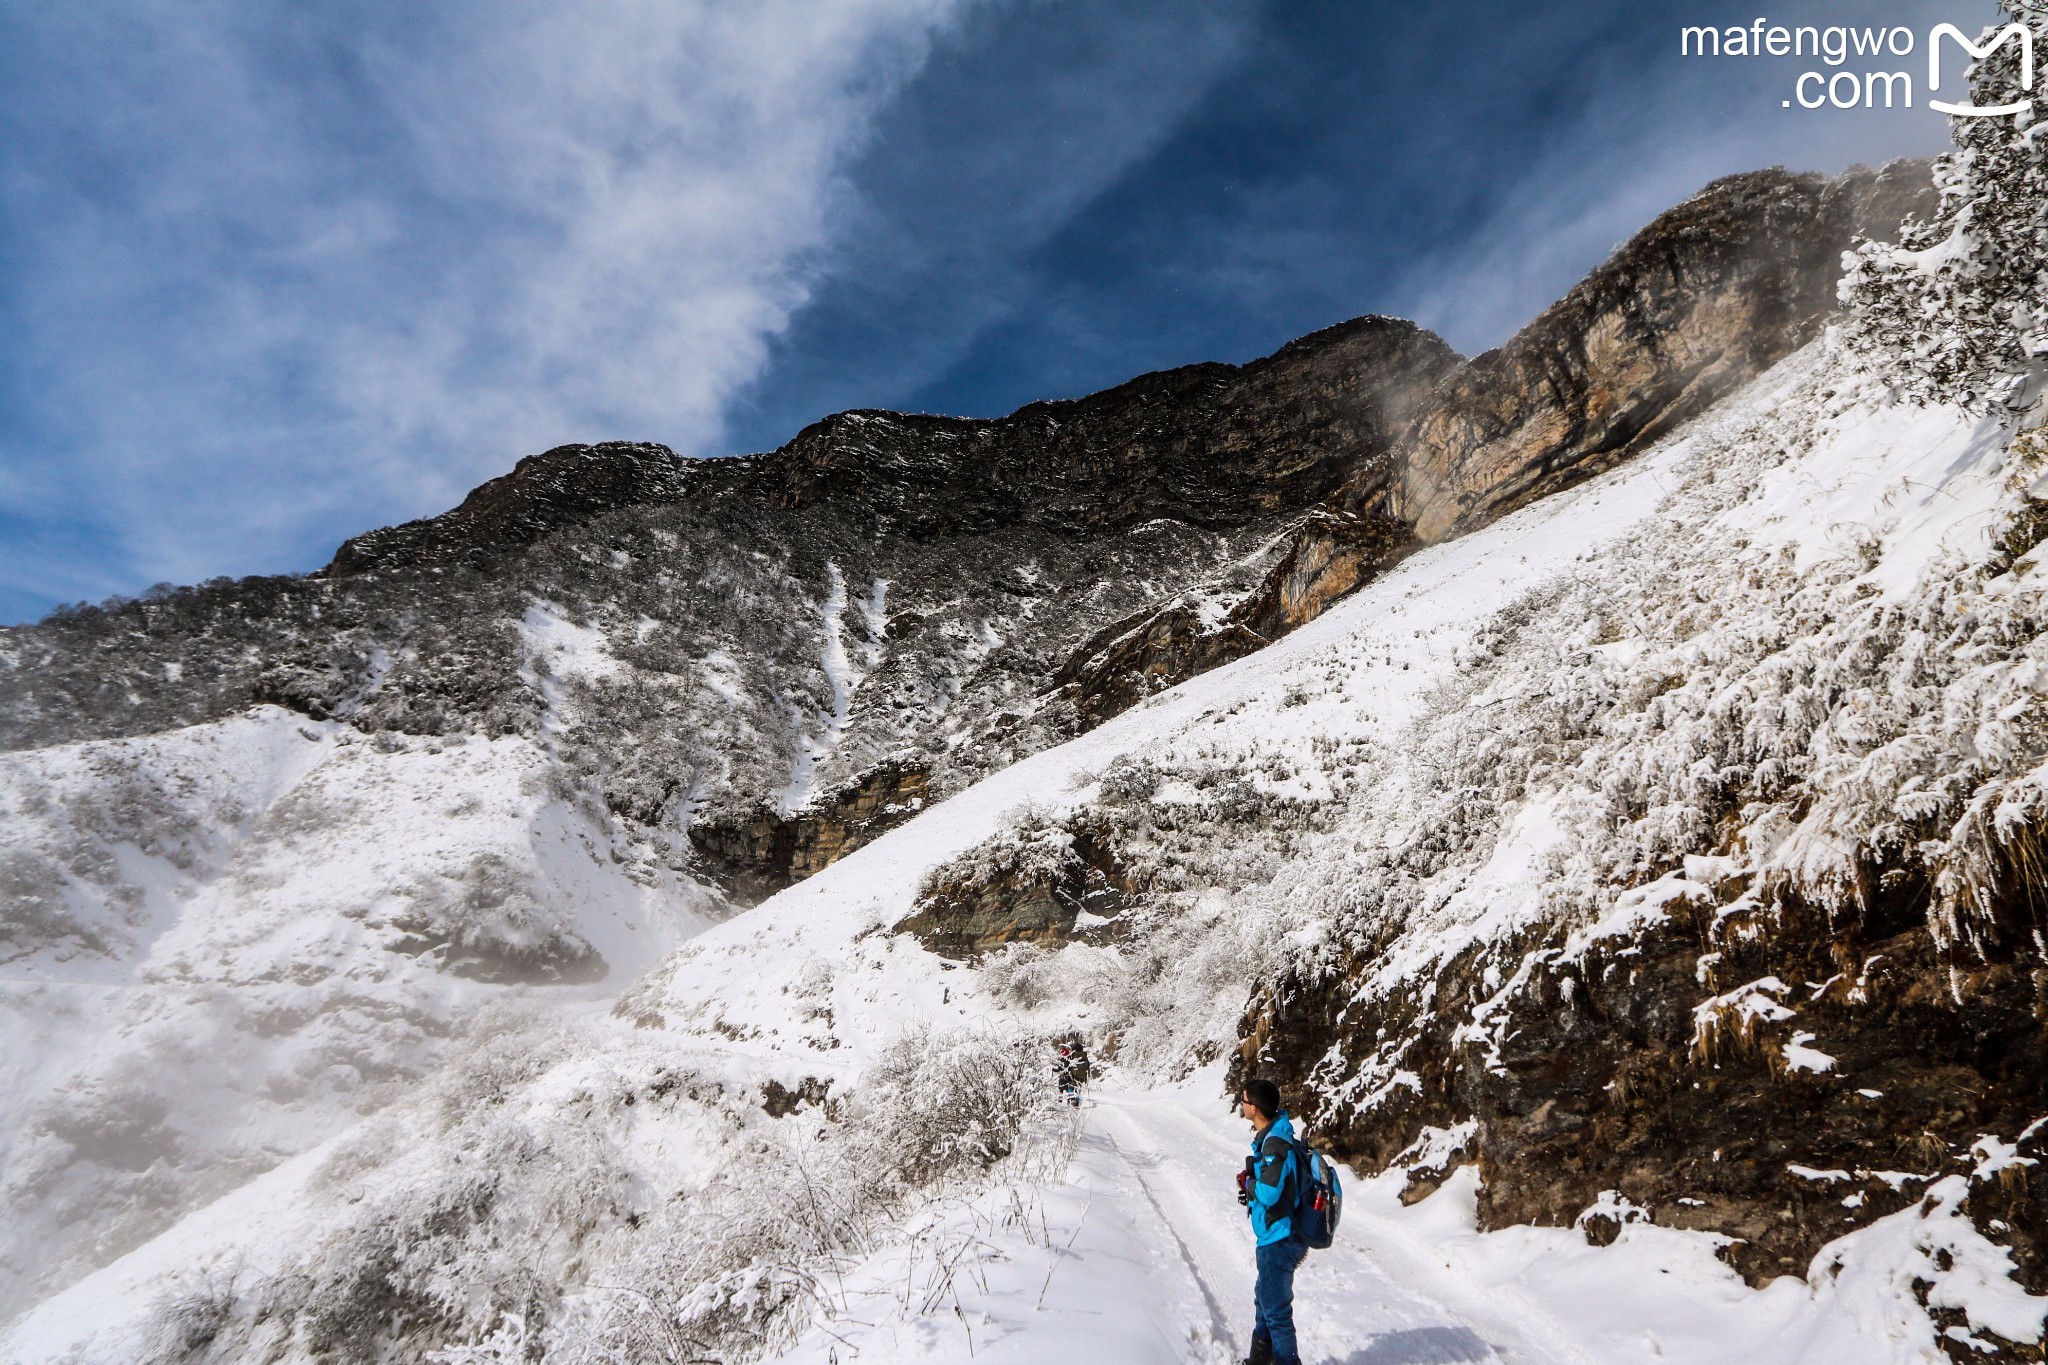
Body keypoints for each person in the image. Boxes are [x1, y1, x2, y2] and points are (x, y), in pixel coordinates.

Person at [1235, 1077, 1306, 1365]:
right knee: (1265, 1300)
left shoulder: (1275, 1143)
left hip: (1280, 1238)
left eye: (1244, 1100)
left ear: (1256, 1108)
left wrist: (1250, 1183)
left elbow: (1268, 1191)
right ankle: (1259, 1360)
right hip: (1275, 1235)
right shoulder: (1273, 1136)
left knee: (1276, 1313)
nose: (1241, 1104)